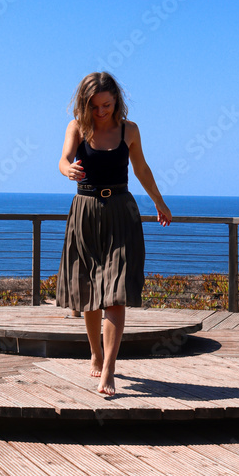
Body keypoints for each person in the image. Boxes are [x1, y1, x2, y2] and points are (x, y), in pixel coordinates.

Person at [56, 71, 172, 396]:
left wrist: (160, 204)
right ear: (85, 104)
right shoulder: (78, 127)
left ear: (116, 100)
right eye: (94, 106)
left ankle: (109, 368)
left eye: (107, 105)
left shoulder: (130, 130)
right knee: (90, 294)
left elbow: (142, 170)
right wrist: (69, 170)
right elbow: (63, 161)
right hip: (86, 212)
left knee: (116, 292)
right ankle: (94, 352)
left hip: (121, 212)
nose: (102, 111)